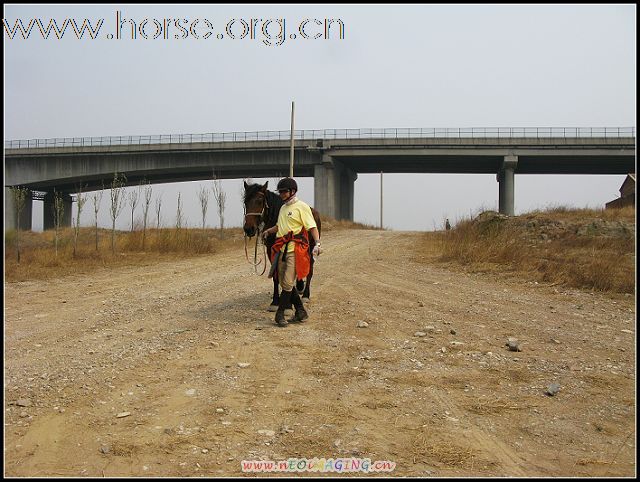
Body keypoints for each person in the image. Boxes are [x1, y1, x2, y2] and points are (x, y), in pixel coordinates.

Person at [261, 177, 321, 327]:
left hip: (295, 248)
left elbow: (312, 226)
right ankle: (301, 311)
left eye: (284, 191)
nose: (281, 194)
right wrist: (269, 231)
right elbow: (280, 226)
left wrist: (318, 243)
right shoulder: (283, 208)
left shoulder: (301, 207)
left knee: (287, 281)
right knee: (282, 281)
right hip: (281, 248)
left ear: (292, 191)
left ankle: (280, 314)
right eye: (280, 191)